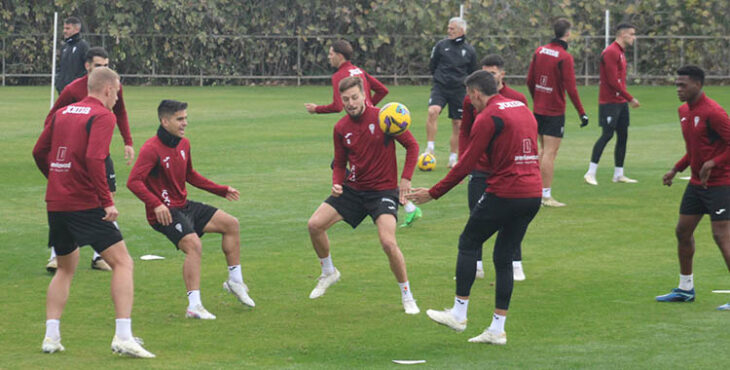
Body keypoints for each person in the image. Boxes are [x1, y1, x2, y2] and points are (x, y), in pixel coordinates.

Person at [408, 70, 541, 345]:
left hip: (505, 192)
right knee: (504, 256)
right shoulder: (522, 107)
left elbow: (466, 165)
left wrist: (433, 193)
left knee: (468, 242)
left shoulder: (487, 117)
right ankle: (497, 329)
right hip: (532, 193)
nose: (470, 101)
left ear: (477, 93)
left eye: (470, 96)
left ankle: (458, 314)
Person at [33, 67, 154, 358]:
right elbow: (94, 158)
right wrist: (106, 201)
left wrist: (56, 179)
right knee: (123, 262)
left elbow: (39, 151)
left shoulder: (62, 112)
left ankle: (51, 337)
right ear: (109, 89)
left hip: (57, 204)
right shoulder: (102, 116)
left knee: (64, 268)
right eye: (118, 92)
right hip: (85, 203)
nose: (118, 99)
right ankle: (123, 336)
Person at [127, 100, 255, 320]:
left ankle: (235, 281)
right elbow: (134, 181)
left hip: (184, 206)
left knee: (231, 224)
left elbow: (190, 175)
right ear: (164, 121)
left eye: (185, 118)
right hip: (164, 213)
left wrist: (221, 190)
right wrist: (156, 204)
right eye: (180, 119)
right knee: (194, 245)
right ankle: (194, 306)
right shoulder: (151, 148)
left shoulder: (184, 144)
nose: (185, 123)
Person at [306, 76, 420, 315]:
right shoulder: (340, 128)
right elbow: (339, 163)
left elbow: (412, 146)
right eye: (345, 99)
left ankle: (407, 294)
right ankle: (329, 272)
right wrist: (337, 183)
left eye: (355, 97)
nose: (350, 103)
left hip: (382, 192)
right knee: (315, 225)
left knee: (388, 242)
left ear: (364, 95)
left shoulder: (384, 117)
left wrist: (406, 179)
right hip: (353, 190)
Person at [303, 39, 422, 227]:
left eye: (331, 53)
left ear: (340, 55)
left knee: (367, 170)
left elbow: (336, 106)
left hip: (365, 124)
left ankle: (404, 206)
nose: (329, 57)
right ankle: (405, 206)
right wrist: (372, 108)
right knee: (344, 164)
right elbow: (382, 90)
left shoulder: (339, 77)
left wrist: (316, 109)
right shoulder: (358, 71)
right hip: (361, 123)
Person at [45, 47, 135, 273]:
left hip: (98, 152)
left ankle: (99, 255)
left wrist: (128, 141)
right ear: (87, 66)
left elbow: (121, 112)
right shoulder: (73, 89)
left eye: (106, 65)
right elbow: (52, 117)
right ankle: (57, 255)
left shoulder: (113, 86)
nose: (104, 70)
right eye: (98, 66)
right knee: (74, 204)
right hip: (76, 157)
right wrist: (56, 161)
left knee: (107, 194)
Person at [656, 65, 730, 311]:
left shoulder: (714, 112)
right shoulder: (683, 111)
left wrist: (714, 162)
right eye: (676, 84)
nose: (678, 89)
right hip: (697, 184)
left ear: (698, 84)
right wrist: (676, 169)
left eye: (682, 85)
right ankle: (686, 288)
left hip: (721, 184)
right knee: (682, 232)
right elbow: (694, 150)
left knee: (721, 237)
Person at [459, 54, 529, 281]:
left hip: (506, 169)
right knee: (476, 214)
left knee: (510, 219)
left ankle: (516, 263)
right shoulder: (471, 99)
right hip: (479, 167)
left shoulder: (517, 99)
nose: (488, 76)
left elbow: (524, 133)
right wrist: (463, 161)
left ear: (502, 74)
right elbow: (465, 132)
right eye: (485, 72)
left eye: (492, 72)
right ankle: (476, 264)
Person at [526, 18, 588, 207]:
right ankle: (545, 195)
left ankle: (533, 191)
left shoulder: (539, 51)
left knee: (542, 151)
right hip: (554, 111)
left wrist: (537, 99)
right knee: (550, 154)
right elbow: (571, 88)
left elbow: (530, 80)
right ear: (567, 33)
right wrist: (581, 112)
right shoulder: (564, 57)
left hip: (538, 109)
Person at [584, 23, 641, 185]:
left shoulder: (621, 53)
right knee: (607, 134)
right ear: (623, 35)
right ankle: (590, 172)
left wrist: (625, 99)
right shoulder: (610, 52)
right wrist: (630, 98)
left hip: (620, 102)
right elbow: (611, 81)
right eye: (632, 34)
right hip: (609, 102)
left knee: (623, 136)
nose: (634, 37)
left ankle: (618, 174)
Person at [425, 17, 478, 168]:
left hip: (459, 90)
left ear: (461, 31)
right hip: (440, 87)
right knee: (433, 111)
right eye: (448, 28)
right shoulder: (441, 46)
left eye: (452, 28)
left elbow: (473, 72)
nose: (448, 31)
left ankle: (453, 158)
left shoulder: (469, 50)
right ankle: (430, 148)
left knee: (458, 124)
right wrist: (440, 78)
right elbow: (433, 65)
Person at [55, 16, 89, 93]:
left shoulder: (83, 46)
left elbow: (88, 67)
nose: (64, 31)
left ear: (77, 29)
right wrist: (58, 83)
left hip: (77, 91)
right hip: (63, 90)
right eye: (64, 28)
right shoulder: (65, 47)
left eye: (68, 28)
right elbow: (60, 66)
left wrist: (79, 84)